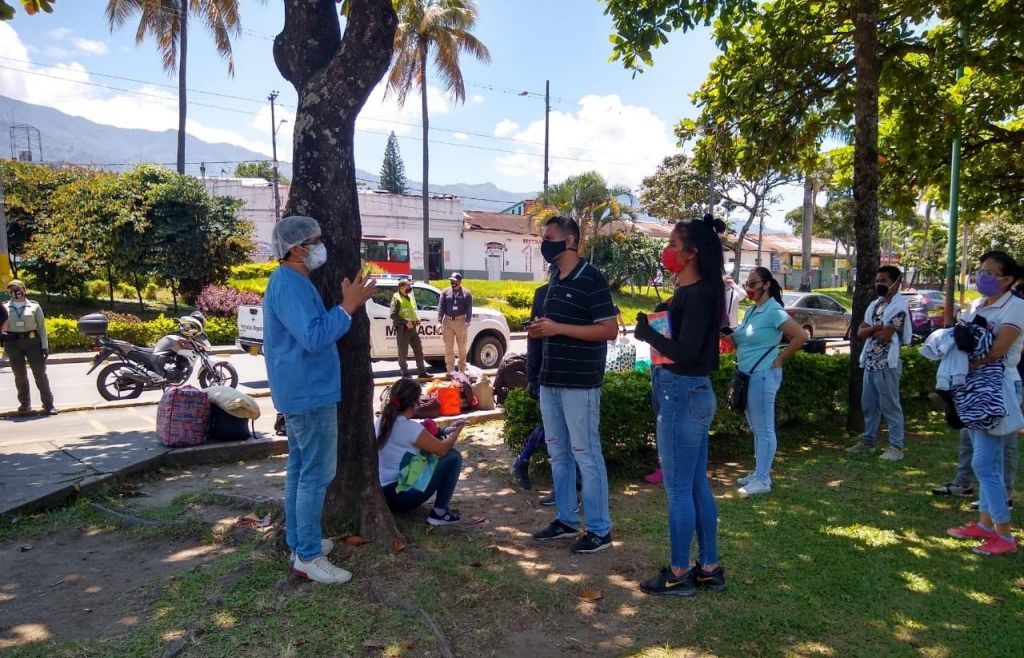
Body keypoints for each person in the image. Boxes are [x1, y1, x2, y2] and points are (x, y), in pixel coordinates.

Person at [264, 215, 376, 584]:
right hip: (308, 393)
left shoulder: (292, 281)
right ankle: (308, 556)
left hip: (302, 390)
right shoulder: (289, 284)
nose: (321, 246)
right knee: (316, 474)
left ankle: (300, 542)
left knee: (300, 469)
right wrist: (348, 306)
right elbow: (313, 337)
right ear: (297, 249)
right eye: (315, 240)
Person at [633, 214, 727, 596]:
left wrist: (647, 335)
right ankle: (709, 567)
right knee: (696, 485)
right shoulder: (699, 291)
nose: (667, 251)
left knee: (677, 489)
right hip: (693, 394)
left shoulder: (700, 293)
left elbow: (686, 353)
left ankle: (677, 572)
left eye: (673, 245)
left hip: (681, 394)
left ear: (691, 253)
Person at [528, 216, 618, 554]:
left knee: (586, 455)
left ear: (569, 241)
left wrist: (558, 328)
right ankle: (566, 519)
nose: (543, 242)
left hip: (580, 384)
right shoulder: (554, 278)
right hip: (551, 382)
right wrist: (541, 329)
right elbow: (554, 325)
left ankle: (599, 530)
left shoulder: (591, 277)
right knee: (558, 453)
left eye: (549, 237)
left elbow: (609, 330)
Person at [943, 251, 1023, 555]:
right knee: (986, 458)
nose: (983, 277)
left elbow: (997, 350)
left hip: (998, 388)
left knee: (984, 463)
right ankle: (985, 524)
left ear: (1007, 279)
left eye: (990, 273)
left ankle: (1004, 535)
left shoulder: (1016, 308)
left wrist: (967, 358)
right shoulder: (978, 304)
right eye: (981, 271)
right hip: (975, 388)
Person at [732, 267, 807, 496]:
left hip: (763, 375)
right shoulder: (753, 311)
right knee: (757, 428)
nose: (749, 288)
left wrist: (779, 360)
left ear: (766, 284)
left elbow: (801, 336)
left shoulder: (774, 310)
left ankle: (763, 480)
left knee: (764, 429)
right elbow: (745, 340)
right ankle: (758, 472)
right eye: (747, 284)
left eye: (754, 283)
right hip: (748, 374)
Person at [376, 378, 465, 524]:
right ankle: (439, 513)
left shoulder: (380, 422)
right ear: (413, 403)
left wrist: (447, 430)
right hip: (401, 497)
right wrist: (455, 434)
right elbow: (442, 450)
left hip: (381, 493)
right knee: (453, 456)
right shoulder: (410, 428)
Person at [847, 265, 912, 460]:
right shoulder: (875, 305)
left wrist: (871, 330)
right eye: (878, 280)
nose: (879, 284)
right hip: (870, 361)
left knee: (890, 405)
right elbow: (860, 332)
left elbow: (886, 336)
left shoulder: (899, 308)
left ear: (896, 282)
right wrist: (876, 327)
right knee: (869, 404)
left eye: (883, 281)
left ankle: (896, 447)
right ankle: (868, 442)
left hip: (886, 363)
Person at [3, 279, 56, 415]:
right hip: (13, 344)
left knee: (40, 373)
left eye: (17, 289)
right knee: (19, 375)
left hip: (33, 343)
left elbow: (42, 328)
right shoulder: (4, 307)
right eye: (12, 290)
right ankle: (25, 404)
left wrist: (45, 346)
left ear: (24, 290)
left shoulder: (34, 306)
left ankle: (48, 404)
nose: (15, 292)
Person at [390, 278, 428, 379]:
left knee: (418, 349)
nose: (410, 288)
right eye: (408, 286)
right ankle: (404, 373)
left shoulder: (409, 297)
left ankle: (422, 372)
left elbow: (412, 311)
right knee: (403, 352)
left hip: (412, 329)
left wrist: (416, 318)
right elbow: (393, 315)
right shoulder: (396, 299)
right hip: (403, 329)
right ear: (402, 288)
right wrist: (406, 322)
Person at [438, 273, 473, 373]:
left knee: (462, 347)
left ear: (459, 281)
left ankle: (462, 369)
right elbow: (441, 307)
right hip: (448, 321)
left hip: (461, 321)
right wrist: (439, 322)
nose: (452, 283)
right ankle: (450, 370)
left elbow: (469, 309)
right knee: (448, 347)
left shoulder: (466, 293)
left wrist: (467, 322)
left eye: (454, 281)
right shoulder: (445, 292)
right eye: (451, 281)